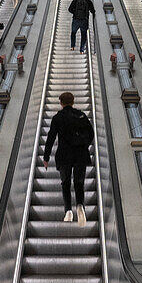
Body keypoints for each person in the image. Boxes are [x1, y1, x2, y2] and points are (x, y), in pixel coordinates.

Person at [42, 91, 94, 224]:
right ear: (73, 101)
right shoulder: (81, 115)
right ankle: (80, 206)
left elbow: (51, 137)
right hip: (80, 154)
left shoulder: (58, 118)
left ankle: (68, 212)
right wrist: (84, 145)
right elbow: (91, 133)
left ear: (61, 103)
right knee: (79, 182)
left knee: (65, 183)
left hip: (64, 155)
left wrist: (46, 157)